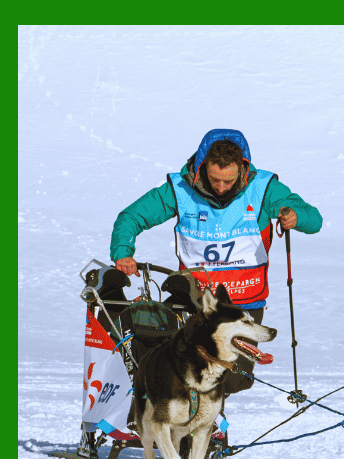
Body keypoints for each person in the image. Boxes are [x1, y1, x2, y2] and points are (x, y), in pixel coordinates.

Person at [110, 128, 322, 394]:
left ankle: (206, 420)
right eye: (214, 179)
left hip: (244, 302)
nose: (221, 187)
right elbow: (131, 216)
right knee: (187, 368)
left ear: (242, 170)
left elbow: (314, 219)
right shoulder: (181, 189)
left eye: (228, 181)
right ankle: (199, 428)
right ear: (202, 166)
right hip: (194, 299)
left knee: (233, 378)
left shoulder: (263, 188)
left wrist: (295, 216)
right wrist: (122, 251)